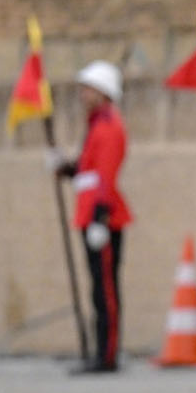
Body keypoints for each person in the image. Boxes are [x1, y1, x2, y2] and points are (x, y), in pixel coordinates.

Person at [51, 61, 132, 374]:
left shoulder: (109, 126)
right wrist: (66, 167)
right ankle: (100, 350)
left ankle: (107, 354)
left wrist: (99, 218)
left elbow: (105, 177)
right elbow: (88, 171)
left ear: (103, 92)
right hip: (91, 216)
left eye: (88, 89)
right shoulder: (97, 124)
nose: (83, 95)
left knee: (105, 291)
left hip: (103, 219)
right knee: (98, 289)